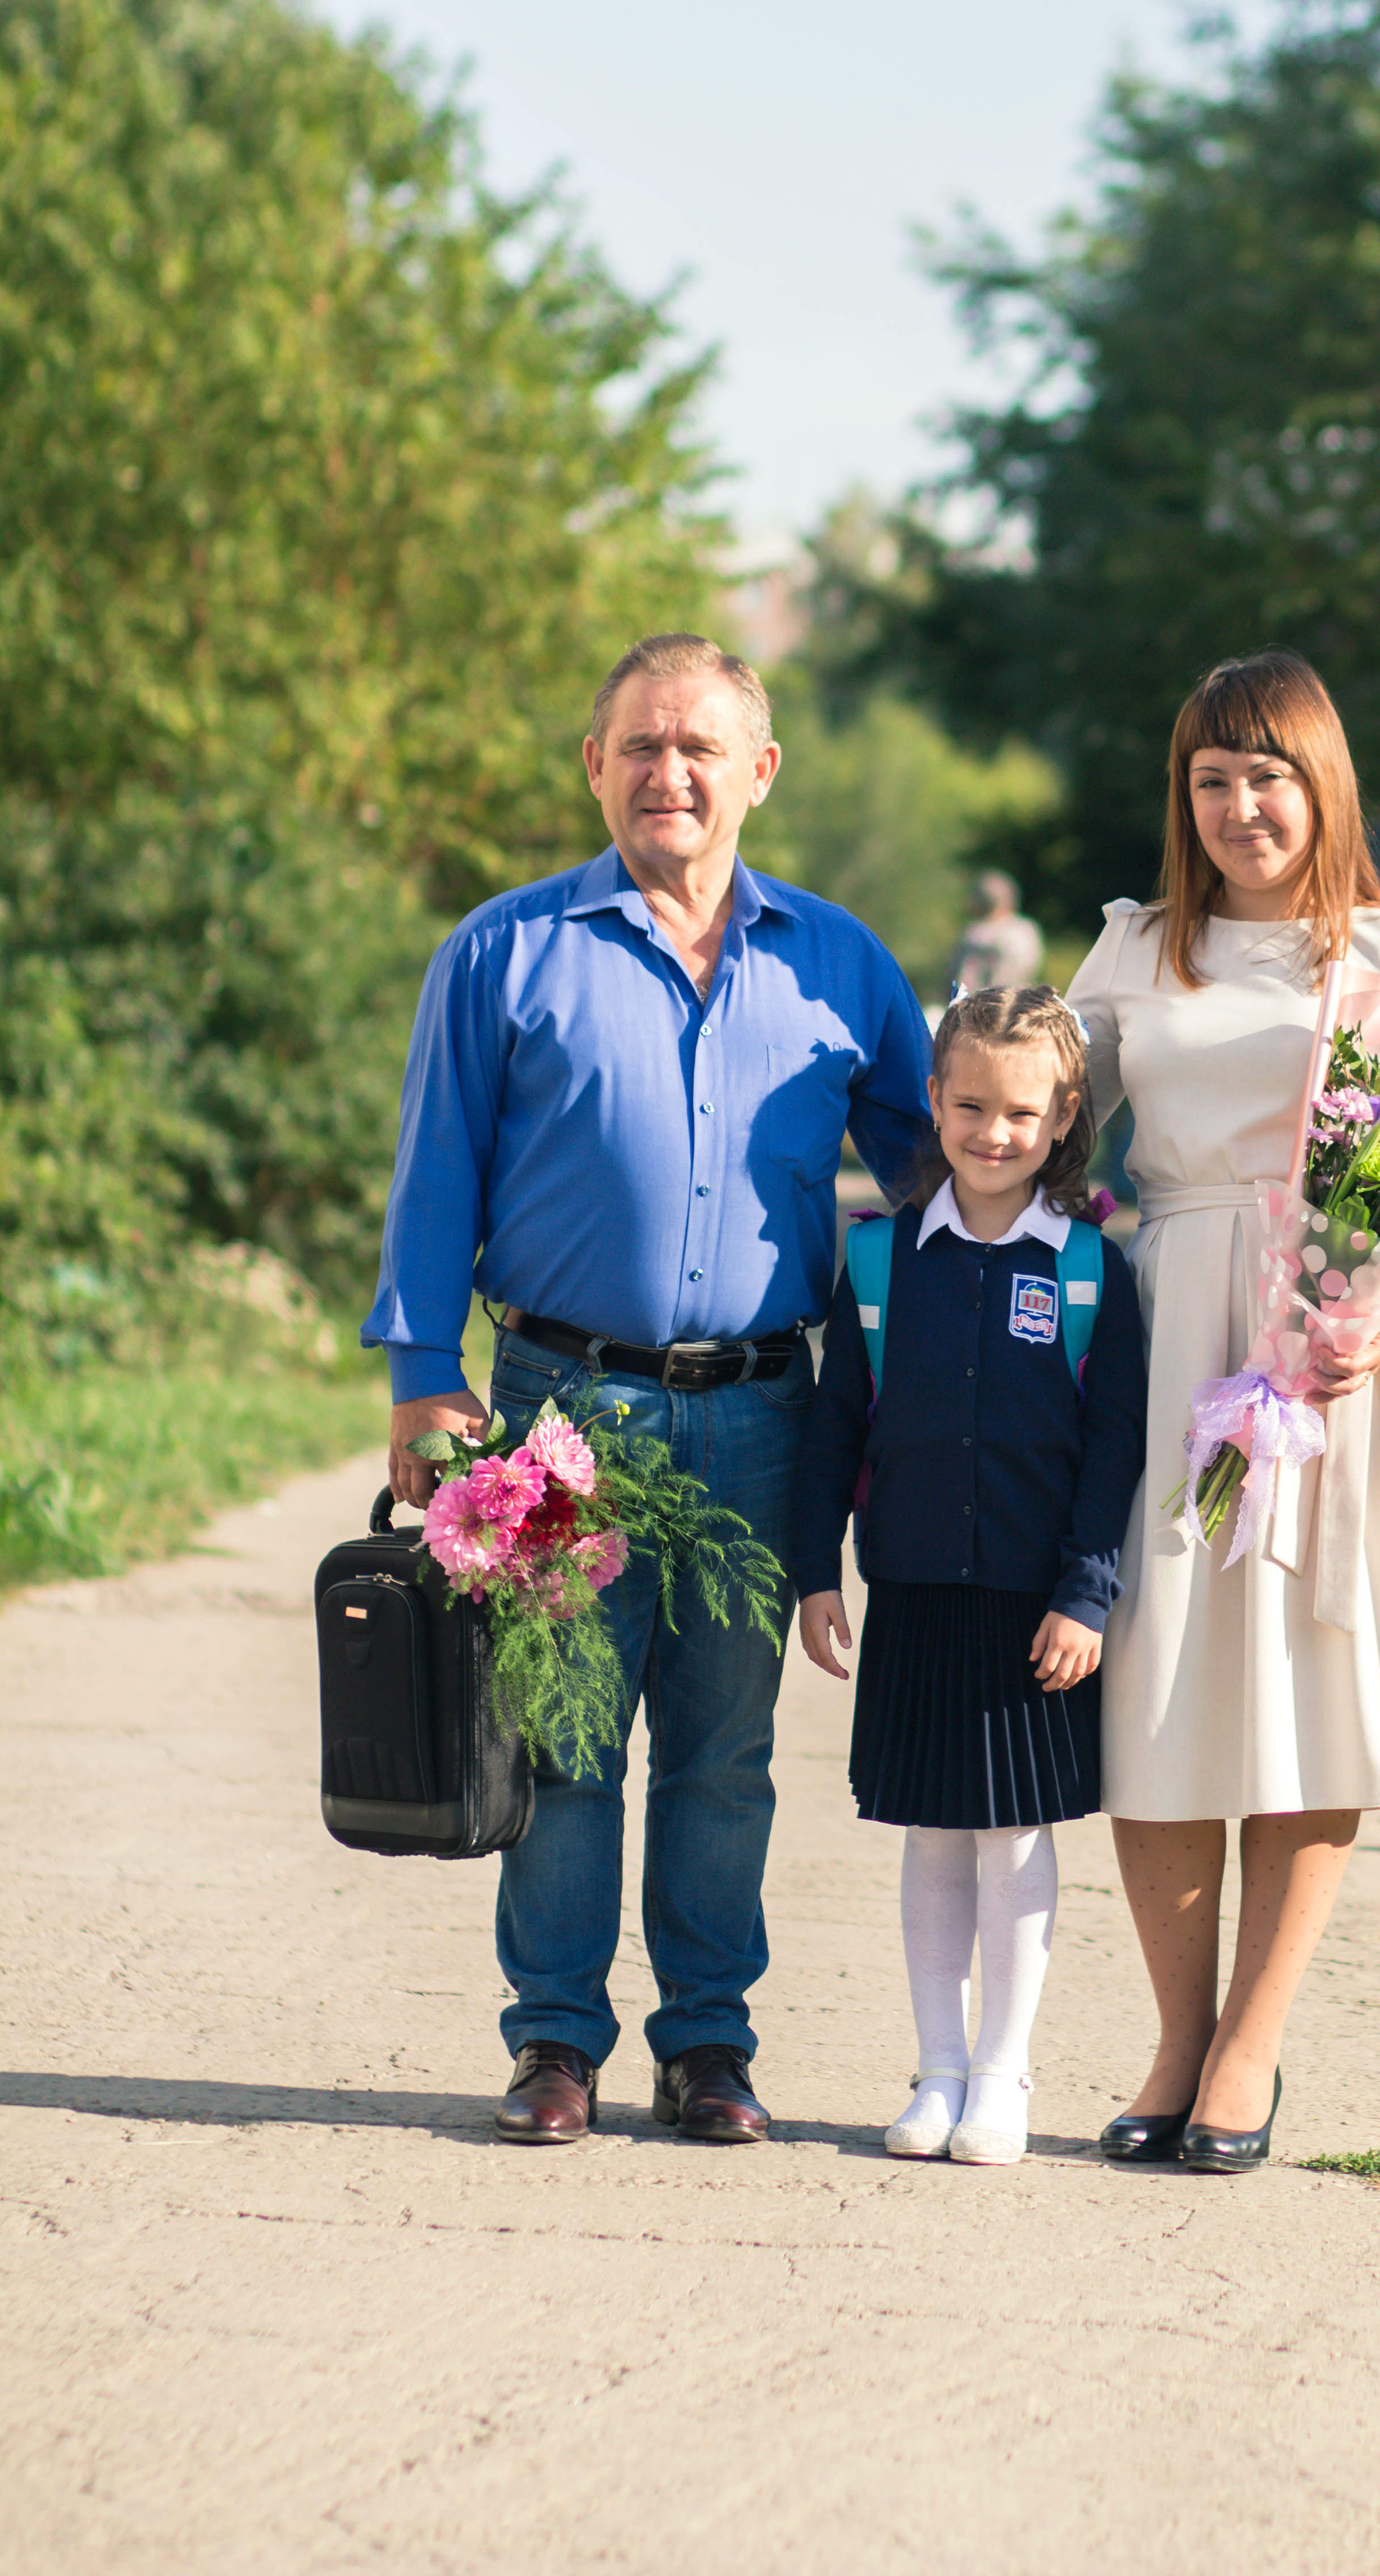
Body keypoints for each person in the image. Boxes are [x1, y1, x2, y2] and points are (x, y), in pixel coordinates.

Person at [362, 630, 932, 2149]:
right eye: (637, 746)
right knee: (557, 1741)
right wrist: (426, 1380)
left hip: (765, 1415)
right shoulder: (502, 952)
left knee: (721, 1752)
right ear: (596, 767)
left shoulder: (842, 965)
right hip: (561, 1415)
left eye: (698, 748)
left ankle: (708, 2048)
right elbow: (434, 1181)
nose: (666, 772)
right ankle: (554, 2041)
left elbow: (954, 1167)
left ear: (758, 773)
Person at [1065, 650, 1380, 2175]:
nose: (1239, 805)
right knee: (1167, 1674)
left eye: (1267, 775)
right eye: (1209, 779)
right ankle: (1172, 2039)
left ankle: (1249, 2046)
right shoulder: (1134, 954)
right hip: (1181, 1331)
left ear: (1322, 785)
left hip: (1341, 1351)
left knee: (1307, 1680)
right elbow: (1044, 1131)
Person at [793, 987, 1148, 2165]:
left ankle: (1004, 2075)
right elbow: (837, 1426)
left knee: (1013, 1836)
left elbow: (1117, 1452)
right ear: (935, 1105)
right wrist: (817, 1574)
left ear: (1062, 1124)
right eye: (971, 1105)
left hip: (1034, 1611)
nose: (994, 1132)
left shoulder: (1098, 1270)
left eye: (1022, 1113)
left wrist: (1086, 1592)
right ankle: (936, 2070)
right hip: (915, 1597)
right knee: (933, 1835)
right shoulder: (884, 1261)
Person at [948, 869, 1044, 997]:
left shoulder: (973, 934)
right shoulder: (1025, 930)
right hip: (1013, 1004)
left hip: (978, 1006)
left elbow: (960, 979)